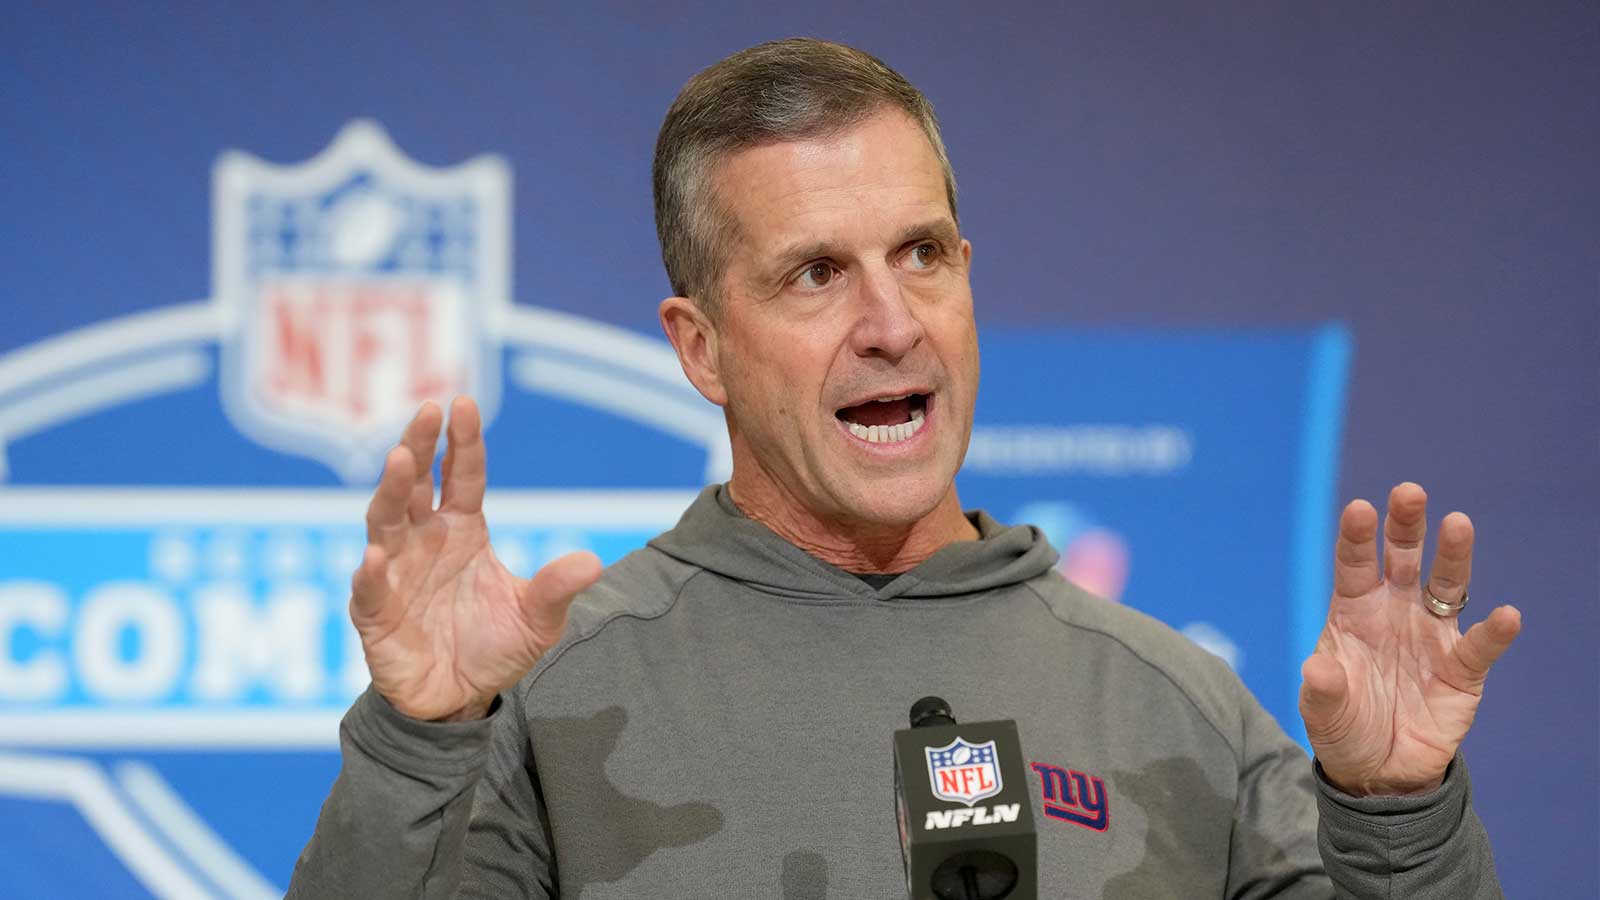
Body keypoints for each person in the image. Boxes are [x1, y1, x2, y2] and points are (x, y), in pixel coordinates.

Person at [286, 38, 1522, 899]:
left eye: (921, 254)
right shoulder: (551, 701)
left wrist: (1398, 813)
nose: (892, 323)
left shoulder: (1177, 700)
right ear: (701, 346)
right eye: (816, 274)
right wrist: (419, 744)